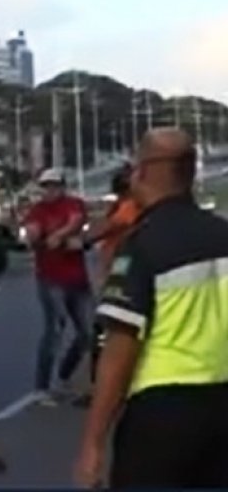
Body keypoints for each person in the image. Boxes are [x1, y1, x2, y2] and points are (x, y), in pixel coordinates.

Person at [74, 128, 228, 488]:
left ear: (144, 171)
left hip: (162, 414)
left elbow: (120, 350)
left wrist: (93, 443)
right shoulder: (224, 235)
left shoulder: (142, 245)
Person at [21, 167, 92, 402]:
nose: (50, 191)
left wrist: (60, 236)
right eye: (46, 187)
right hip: (51, 279)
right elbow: (32, 230)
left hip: (77, 279)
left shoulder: (73, 204)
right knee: (54, 330)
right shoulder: (38, 211)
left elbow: (76, 220)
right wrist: (32, 237)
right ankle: (41, 387)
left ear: (62, 186)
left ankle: (64, 374)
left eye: (55, 186)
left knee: (88, 332)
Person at [82, 164, 142, 381]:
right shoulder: (121, 205)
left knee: (106, 328)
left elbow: (109, 227)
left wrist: (84, 240)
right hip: (113, 270)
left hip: (120, 273)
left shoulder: (130, 206)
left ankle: (101, 380)